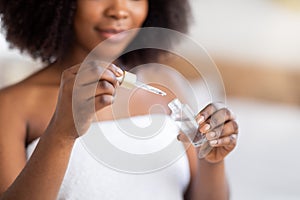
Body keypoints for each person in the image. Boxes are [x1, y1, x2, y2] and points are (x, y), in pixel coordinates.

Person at [0, 0, 238, 199]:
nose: (119, 10)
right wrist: (61, 134)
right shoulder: (11, 105)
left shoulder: (168, 84)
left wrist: (212, 161)